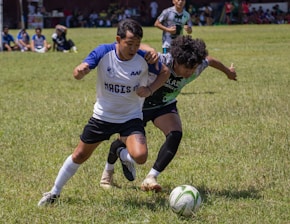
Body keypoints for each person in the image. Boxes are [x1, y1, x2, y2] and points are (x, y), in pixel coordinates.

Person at [37, 18, 169, 206]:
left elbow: (164, 72)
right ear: (118, 39)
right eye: (129, 44)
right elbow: (78, 71)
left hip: (130, 117)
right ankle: (54, 192)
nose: (133, 48)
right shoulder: (103, 52)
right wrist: (80, 71)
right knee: (80, 155)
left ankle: (121, 153)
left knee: (140, 157)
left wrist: (150, 89)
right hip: (102, 116)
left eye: (137, 44)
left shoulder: (144, 57)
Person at [101, 35, 237, 192]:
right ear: (176, 61)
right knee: (125, 144)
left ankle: (151, 178)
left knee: (175, 134)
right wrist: (149, 49)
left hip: (164, 106)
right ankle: (108, 172)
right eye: (187, 68)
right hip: (138, 107)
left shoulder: (196, 65)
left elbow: (210, 60)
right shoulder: (162, 61)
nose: (190, 72)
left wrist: (228, 72)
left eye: (193, 68)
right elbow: (138, 48)